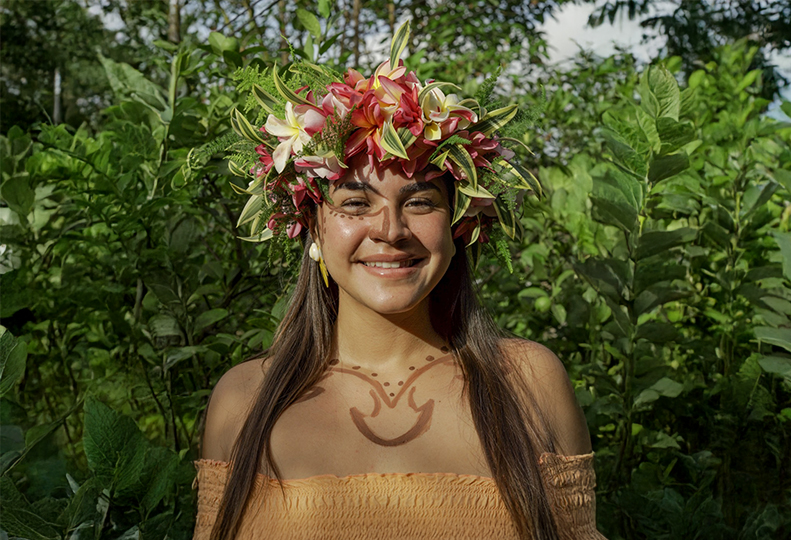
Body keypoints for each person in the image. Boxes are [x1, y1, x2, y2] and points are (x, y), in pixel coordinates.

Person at [193, 22, 606, 540]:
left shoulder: (529, 385)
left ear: (458, 224)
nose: (390, 230)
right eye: (355, 203)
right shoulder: (243, 400)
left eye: (419, 201)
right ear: (313, 226)